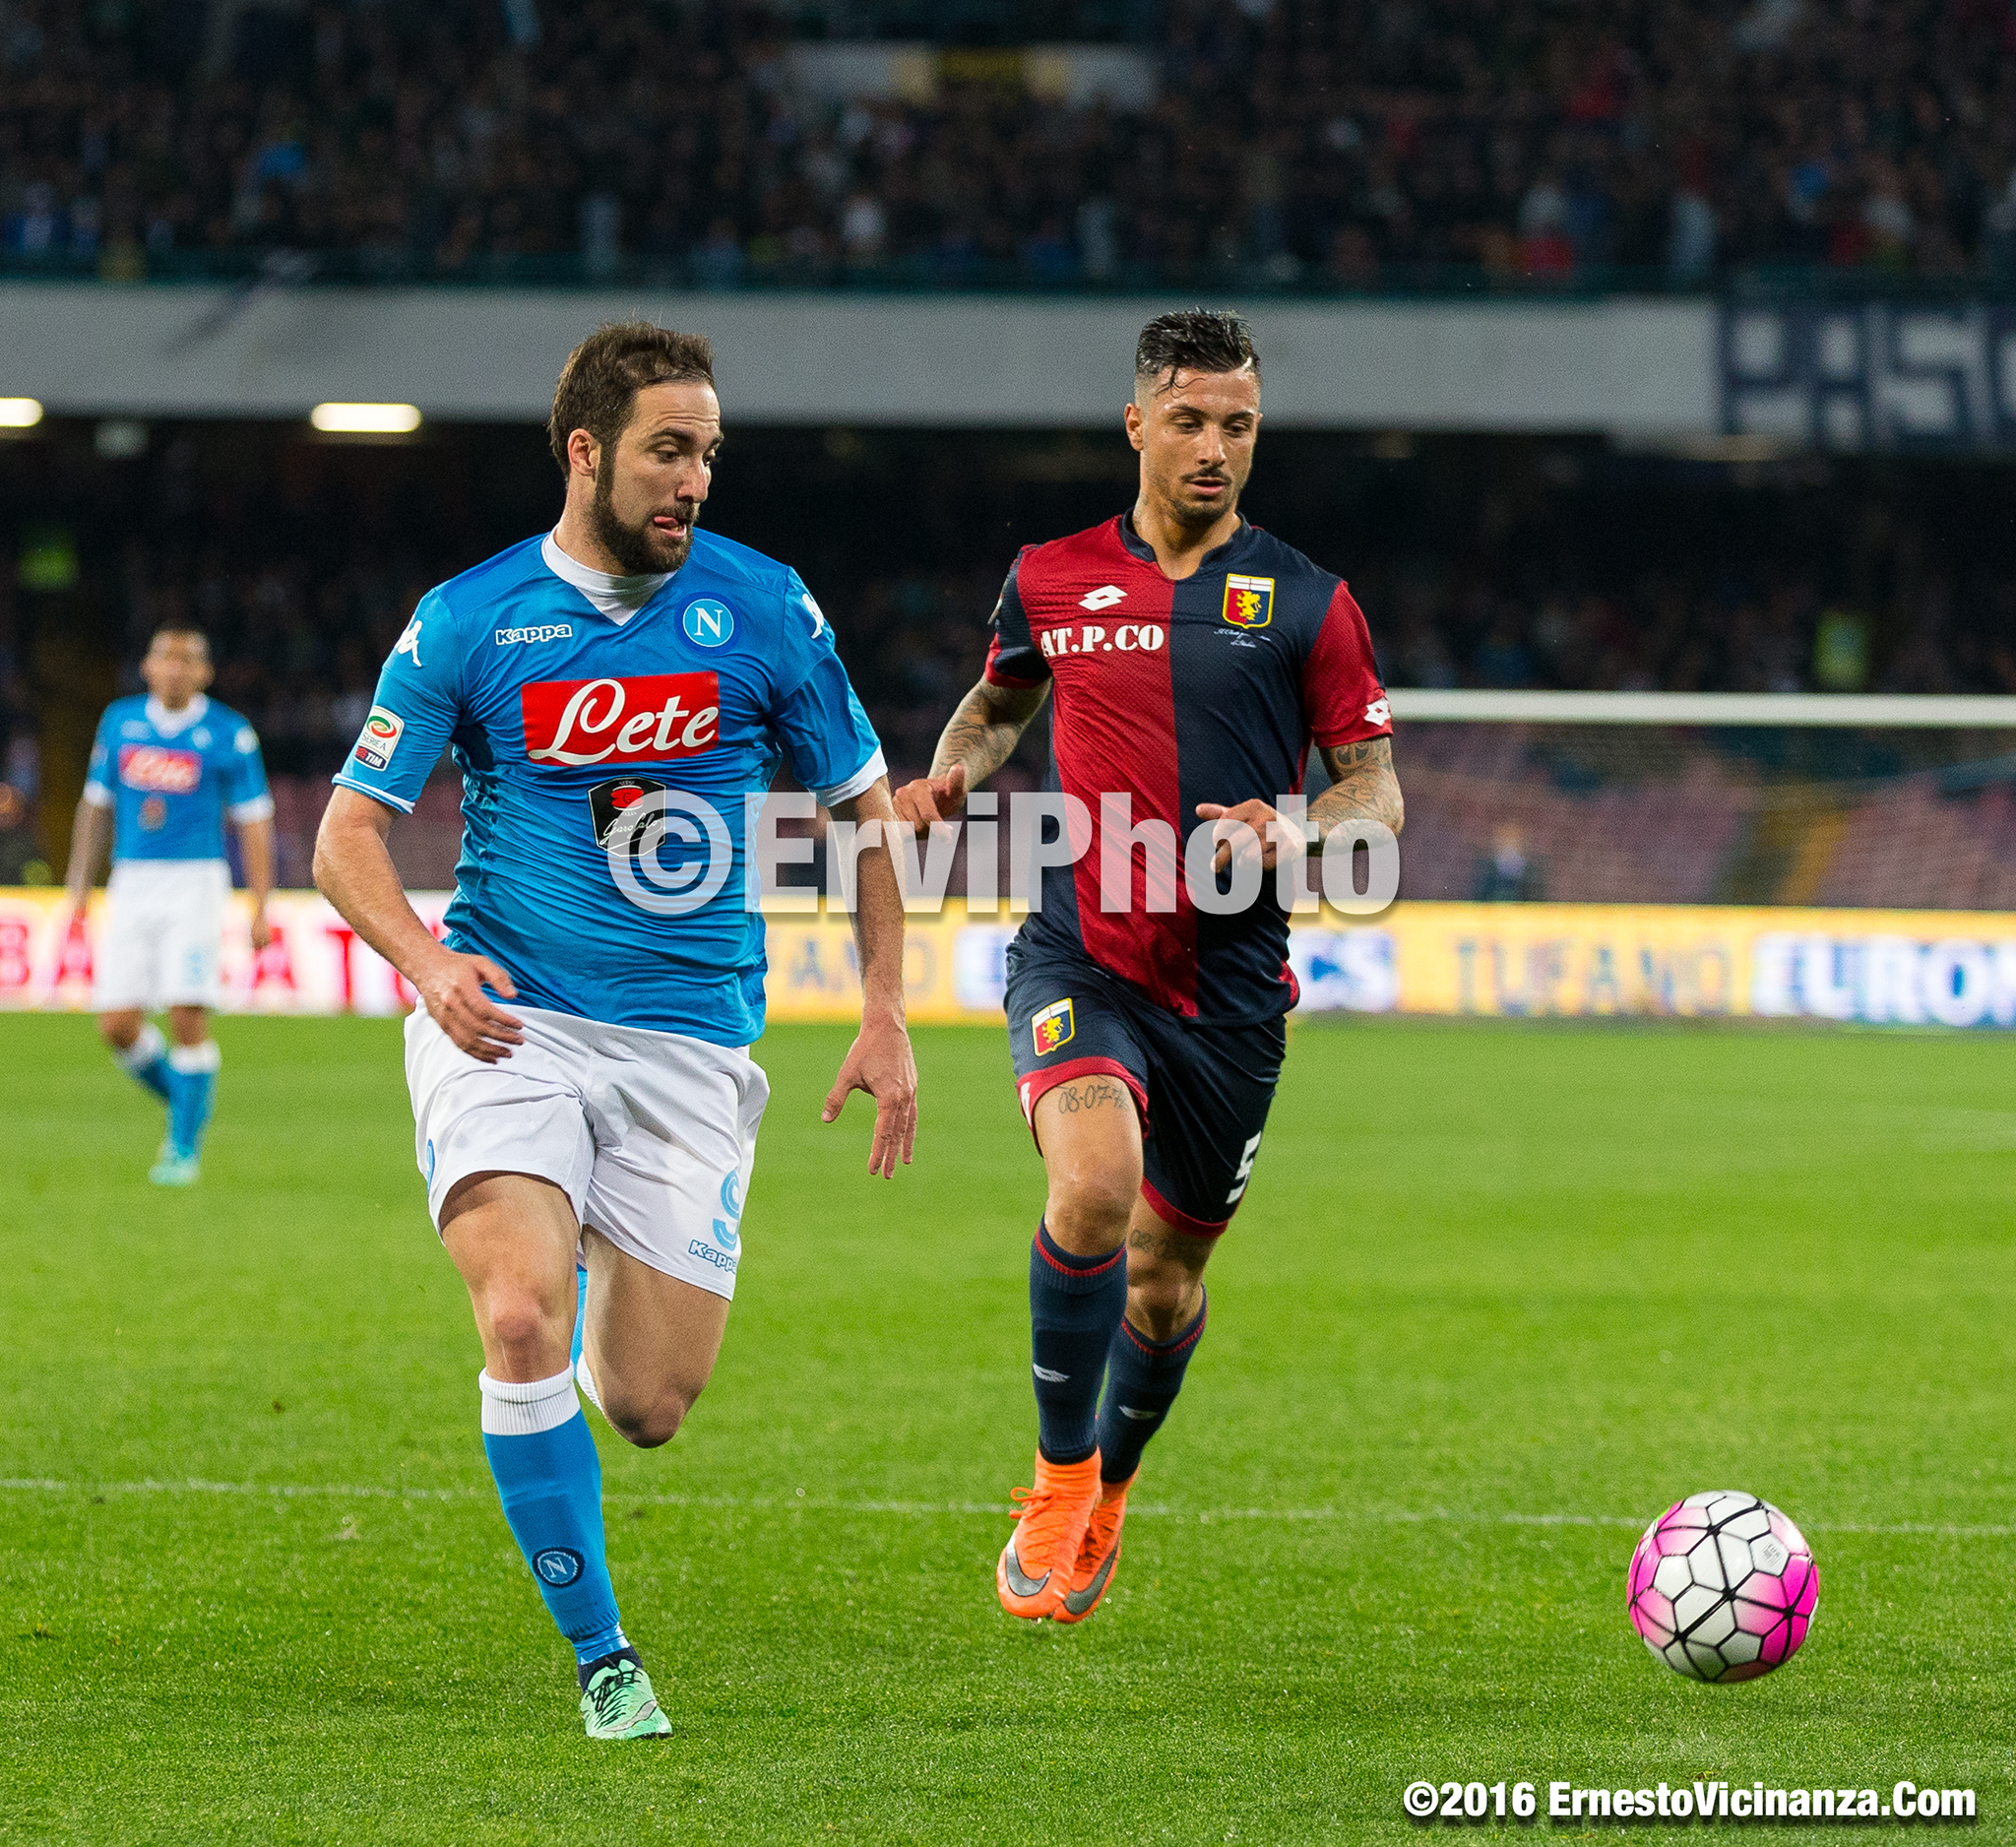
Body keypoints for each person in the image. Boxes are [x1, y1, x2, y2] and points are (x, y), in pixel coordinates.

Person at [314, 321, 917, 1740]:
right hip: (510, 1023)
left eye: (708, 452)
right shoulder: (470, 617)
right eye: (667, 450)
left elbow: (863, 816)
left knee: (648, 1404)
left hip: (689, 1048)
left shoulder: (765, 607)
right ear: (585, 451)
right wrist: (426, 964)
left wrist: (885, 1005)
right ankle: (604, 1659)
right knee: (520, 1312)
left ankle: (584, 1241)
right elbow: (346, 836)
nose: (693, 479)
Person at [894, 309, 1403, 1624]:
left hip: (1229, 996)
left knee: (1167, 1285)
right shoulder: (1051, 577)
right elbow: (999, 701)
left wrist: (1293, 828)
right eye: (1188, 421)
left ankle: (1110, 1486)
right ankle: (1059, 1478)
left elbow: (1376, 792)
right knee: (1092, 1187)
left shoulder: (1310, 601)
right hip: (1082, 953)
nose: (1213, 447)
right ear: (1137, 425)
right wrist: (953, 772)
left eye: (1238, 425)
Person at [60, 626, 275, 1185]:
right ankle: (188, 1100)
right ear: (147, 666)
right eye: (164, 657)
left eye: (187, 660)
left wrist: (260, 904)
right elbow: (95, 805)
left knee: (186, 1012)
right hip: (131, 881)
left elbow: (254, 820)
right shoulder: (120, 721)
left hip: (196, 882)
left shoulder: (229, 732)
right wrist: (78, 883)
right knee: (117, 1024)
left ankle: (182, 1147)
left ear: (205, 673)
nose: (174, 668)